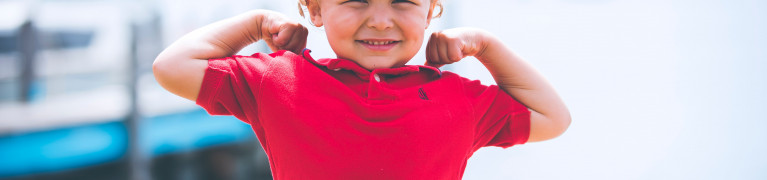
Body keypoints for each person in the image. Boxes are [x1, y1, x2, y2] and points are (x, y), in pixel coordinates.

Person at [153, 0, 571, 179]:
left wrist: (487, 45)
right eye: (356, 1)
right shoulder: (279, 79)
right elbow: (171, 67)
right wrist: (256, 23)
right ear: (315, 9)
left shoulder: (458, 97)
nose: (381, 21)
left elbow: (554, 118)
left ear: (431, 11)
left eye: (403, 2)